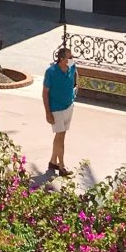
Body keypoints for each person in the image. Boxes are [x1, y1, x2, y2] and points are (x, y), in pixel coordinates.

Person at [42, 44, 77, 178]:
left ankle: (53, 161)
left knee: (60, 135)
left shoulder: (72, 67)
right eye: (69, 57)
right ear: (62, 59)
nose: (72, 58)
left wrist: (73, 95)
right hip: (56, 109)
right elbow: (45, 93)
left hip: (69, 106)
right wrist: (48, 113)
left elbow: (76, 81)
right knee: (60, 136)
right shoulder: (51, 72)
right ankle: (61, 166)